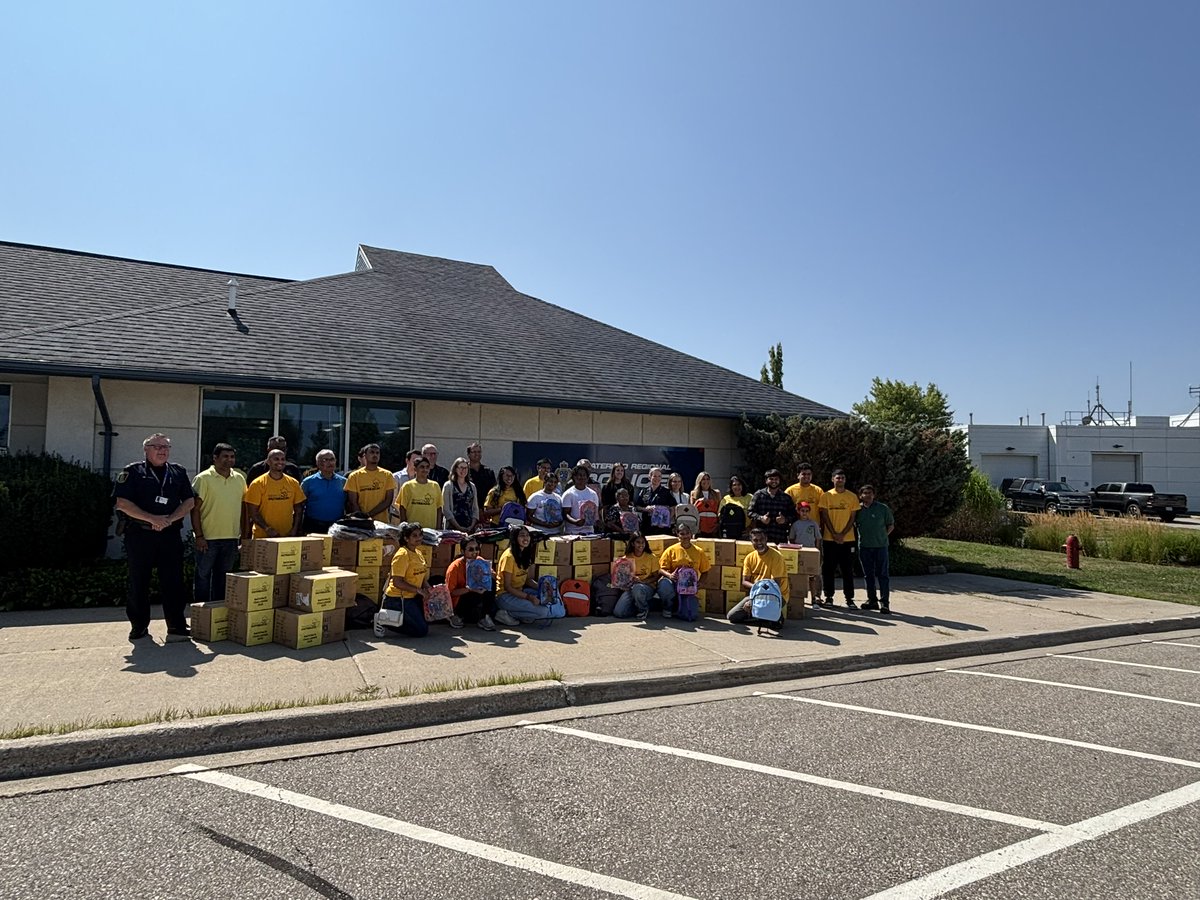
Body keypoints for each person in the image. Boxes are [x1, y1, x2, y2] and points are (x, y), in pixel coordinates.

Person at [114, 433, 196, 642]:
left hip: (169, 535)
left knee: (174, 581)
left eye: (166, 447)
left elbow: (189, 501)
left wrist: (168, 520)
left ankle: (177, 625)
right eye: (157, 446)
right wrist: (152, 519)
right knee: (139, 581)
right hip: (140, 535)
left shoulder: (177, 472)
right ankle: (139, 626)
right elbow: (122, 503)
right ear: (146, 450)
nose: (162, 450)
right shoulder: (132, 472)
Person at [190, 442, 246, 605]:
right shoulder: (203, 478)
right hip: (208, 539)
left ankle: (217, 615)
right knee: (203, 577)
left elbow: (243, 508)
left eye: (232, 457)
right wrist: (199, 536)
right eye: (225, 457)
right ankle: (201, 613)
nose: (229, 460)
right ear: (215, 458)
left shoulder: (239, 478)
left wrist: (243, 535)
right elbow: (195, 510)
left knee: (223, 578)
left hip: (230, 538)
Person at [818, 468, 861, 608]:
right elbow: (824, 516)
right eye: (837, 477)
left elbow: (852, 518)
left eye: (842, 477)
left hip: (847, 540)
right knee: (828, 569)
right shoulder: (826, 496)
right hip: (829, 539)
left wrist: (842, 534)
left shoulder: (852, 497)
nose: (840, 480)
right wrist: (834, 534)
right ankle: (829, 597)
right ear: (832, 479)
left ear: (845, 480)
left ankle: (849, 599)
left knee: (847, 570)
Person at [494, 526, 554, 624]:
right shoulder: (509, 556)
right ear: (515, 538)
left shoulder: (526, 554)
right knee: (544, 612)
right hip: (505, 596)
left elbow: (528, 579)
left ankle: (523, 614)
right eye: (522, 536)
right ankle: (507, 614)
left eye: (527, 535)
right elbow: (508, 587)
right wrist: (529, 597)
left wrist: (543, 587)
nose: (525, 538)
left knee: (547, 599)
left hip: (520, 592)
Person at [728, 528, 789, 625]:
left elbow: (775, 584)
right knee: (732, 616)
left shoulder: (777, 556)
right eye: (755, 540)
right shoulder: (749, 557)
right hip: (757, 594)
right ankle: (763, 619)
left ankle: (766, 617)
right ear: (751, 541)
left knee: (768, 616)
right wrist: (754, 598)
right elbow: (745, 582)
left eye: (761, 539)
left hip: (776, 595)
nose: (759, 543)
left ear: (766, 539)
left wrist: (754, 600)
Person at [380, 522, 431, 638]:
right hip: (398, 599)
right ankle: (384, 621)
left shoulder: (418, 553)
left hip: (413, 597)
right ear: (406, 538)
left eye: (420, 535)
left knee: (428, 621)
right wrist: (418, 590)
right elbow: (397, 582)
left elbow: (421, 575)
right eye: (414, 535)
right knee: (421, 630)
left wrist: (428, 588)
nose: (419, 538)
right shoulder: (402, 555)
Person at [244, 449, 306, 538]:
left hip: (287, 536)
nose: (280, 462)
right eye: (276, 459)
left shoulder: (293, 483)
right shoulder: (257, 483)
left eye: (282, 459)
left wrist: (294, 530)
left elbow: (299, 509)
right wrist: (267, 529)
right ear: (268, 462)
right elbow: (252, 512)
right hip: (263, 537)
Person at [655, 522, 711, 618]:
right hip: (673, 583)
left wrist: (701, 583)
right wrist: (669, 575)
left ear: (691, 534)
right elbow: (660, 569)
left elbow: (705, 571)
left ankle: (680, 607)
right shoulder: (671, 550)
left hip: (688, 586)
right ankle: (668, 608)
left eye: (687, 533)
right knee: (664, 584)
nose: (685, 536)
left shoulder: (699, 551)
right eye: (682, 534)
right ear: (678, 535)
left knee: (690, 616)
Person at [444, 536, 498, 630]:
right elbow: (450, 593)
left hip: (476, 596)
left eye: (477, 549)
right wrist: (469, 589)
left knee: (491, 583)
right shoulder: (455, 567)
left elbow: (493, 576)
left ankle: (484, 617)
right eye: (471, 549)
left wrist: (487, 574)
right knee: (472, 592)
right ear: (462, 551)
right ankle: (456, 616)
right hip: (459, 600)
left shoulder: (480, 560)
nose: (475, 552)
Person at [856, 484, 895, 614]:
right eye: (865, 493)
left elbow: (890, 525)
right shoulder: (858, 509)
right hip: (865, 547)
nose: (868, 495)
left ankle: (885, 603)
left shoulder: (882, 508)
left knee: (883, 575)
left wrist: (883, 536)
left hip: (881, 547)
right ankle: (872, 600)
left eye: (870, 493)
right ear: (860, 496)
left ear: (874, 495)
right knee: (868, 575)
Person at [612, 532, 659, 621]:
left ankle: (643, 609)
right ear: (633, 543)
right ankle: (642, 605)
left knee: (638, 588)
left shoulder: (651, 557)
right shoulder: (627, 558)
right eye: (638, 542)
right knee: (619, 613)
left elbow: (656, 576)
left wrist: (644, 581)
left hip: (647, 587)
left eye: (643, 542)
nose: (641, 545)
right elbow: (622, 580)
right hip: (631, 587)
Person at [344, 444, 394, 523]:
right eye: (372, 452)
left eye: (377, 453)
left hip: (382, 522)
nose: (375, 455)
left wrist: (368, 515)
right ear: (365, 456)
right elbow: (353, 502)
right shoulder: (354, 476)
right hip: (361, 522)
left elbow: (388, 500)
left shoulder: (387, 475)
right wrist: (362, 518)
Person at [300, 449, 347, 533]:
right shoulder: (308, 482)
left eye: (332, 459)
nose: (330, 463)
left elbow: (348, 504)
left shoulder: (343, 482)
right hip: (313, 526)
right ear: (318, 463)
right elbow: (300, 505)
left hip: (337, 526)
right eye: (326, 460)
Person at [788, 501, 823, 606]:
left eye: (807, 511)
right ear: (798, 511)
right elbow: (792, 538)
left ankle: (814, 598)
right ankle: (798, 599)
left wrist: (818, 552)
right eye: (802, 511)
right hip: (800, 552)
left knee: (813, 577)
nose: (805, 513)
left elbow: (818, 538)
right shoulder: (795, 524)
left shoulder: (813, 524)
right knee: (799, 577)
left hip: (811, 552)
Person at [749, 468, 795, 544]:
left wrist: (785, 520)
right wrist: (761, 518)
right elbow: (750, 512)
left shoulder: (786, 498)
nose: (774, 481)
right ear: (766, 480)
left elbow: (794, 516)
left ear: (779, 481)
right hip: (761, 537)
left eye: (776, 479)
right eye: (771, 479)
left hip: (780, 537)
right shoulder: (758, 495)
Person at [397, 457, 443, 529]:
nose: (425, 470)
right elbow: (402, 508)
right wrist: (405, 528)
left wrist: (439, 528)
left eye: (427, 467)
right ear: (415, 469)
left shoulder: (435, 486)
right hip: (413, 530)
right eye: (422, 467)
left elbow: (439, 508)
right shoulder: (407, 486)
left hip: (431, 529)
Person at [442, 456, 480, 532]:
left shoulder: (472, 486)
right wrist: (458, 527)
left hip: (469, 527)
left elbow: (475, 509)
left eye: (466, 468)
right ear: (455, 469)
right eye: (461, 467)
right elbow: (446, 509)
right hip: (452, 528)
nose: (463, 470)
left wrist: (471, 526)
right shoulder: (448, 486)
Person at [561, 464, 601, 535]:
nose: (582, 477)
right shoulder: (568, 494)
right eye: (579, 475)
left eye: (584, 475)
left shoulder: (593, 494)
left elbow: (596, 513)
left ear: (587, 477)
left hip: (589, 532)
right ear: (574, 477)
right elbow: (565, 514)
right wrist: (575, 522)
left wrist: (598, 522)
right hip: (572, 532)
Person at [638, 467, 675, 534]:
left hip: (661, 527)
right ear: (650, 477)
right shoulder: (644, 491)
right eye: (654, 476)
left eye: (659, 476)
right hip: (647, 525)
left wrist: (666, 520)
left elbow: (673, 508)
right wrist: (646, 509)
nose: (657, 478)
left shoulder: (666, 492)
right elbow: (637, 507)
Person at [690, 471, 722, 536]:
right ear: (699, 481)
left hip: (713, 526)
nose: (706, 481)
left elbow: (719, 509)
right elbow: (692, 510)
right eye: (703, 479)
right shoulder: (694, 493)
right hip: (700, 527)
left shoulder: (716, 493)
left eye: (708, 479)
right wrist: (699, 501)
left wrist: (718, 525)